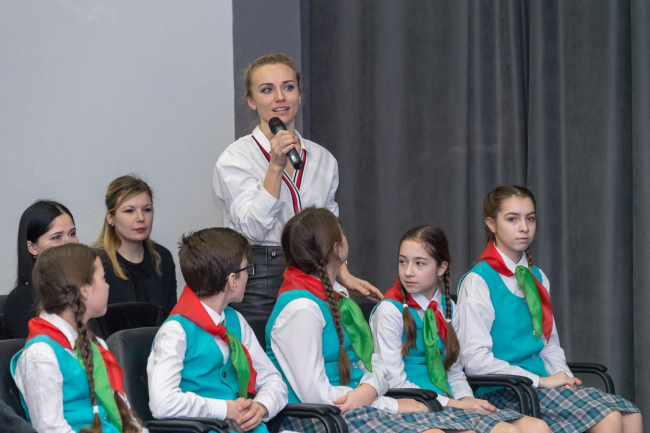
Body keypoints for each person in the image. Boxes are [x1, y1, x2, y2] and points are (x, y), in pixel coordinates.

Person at [267, 207, 509, 433]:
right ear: (336, 248)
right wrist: (383, 400)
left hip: (359, 408)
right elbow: (317, 396)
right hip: (323, 419)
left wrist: (371, 389)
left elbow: (373, 363)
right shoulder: (301, 308)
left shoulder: (333, 300)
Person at [457, 185, 642, 433]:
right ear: (491, 224)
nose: (524, 227)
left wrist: (564, 377)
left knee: (631, 416)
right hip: (504, 389)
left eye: (530, 218)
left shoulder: (538, 277)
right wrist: (542, 381)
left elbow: (549, 345)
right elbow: (475, 361)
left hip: (541, 387)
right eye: (512, 219)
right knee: (609, 417)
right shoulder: (478, 281)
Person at [213, 53, 382, 322]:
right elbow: (253, 229)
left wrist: (343, 274)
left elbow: (329, 229)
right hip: (260, 279)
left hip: (317, 273)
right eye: (267, 90)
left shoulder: (324, 159)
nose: (280, 97)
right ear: (251, 101)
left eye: (288, 87)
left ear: (299, 96)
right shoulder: (235, 158)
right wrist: (275, 166)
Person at [370, 225, 549, 433]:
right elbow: (393, 381)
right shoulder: (389, 311)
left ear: (441, 268)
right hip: (412, 406)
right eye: (403, 262)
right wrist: (454, 404)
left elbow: (454, 372)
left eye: (419, 263)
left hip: (449, 403)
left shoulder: (449, 309)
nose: (408, 272)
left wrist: (467, 400)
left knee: (536, 427)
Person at [147, 228, 290, 433]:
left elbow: (273, 381)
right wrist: (224, 409)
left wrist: (261, 406)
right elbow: (162, 403)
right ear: (232, 280)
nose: (248, 275)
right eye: (247, 268)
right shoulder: (175, 330)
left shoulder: (235, 320)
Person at [10, 243, 145, 432]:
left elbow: (126, 415)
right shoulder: (41, 354)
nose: (107, 286)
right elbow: (50, 429)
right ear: (84, 290)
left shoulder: (96, 344)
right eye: (103, 278)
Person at [93, 175, 177, 314]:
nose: (141, 218)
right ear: (110, 218)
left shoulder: (163, 257)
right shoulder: (94, 262)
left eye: (146, 209)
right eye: (129, 210)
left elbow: (172, 318)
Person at [3, 200, 78, 339]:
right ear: (32, 247)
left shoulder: (81, 287)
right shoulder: (22, 299)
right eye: (57, 237)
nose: (69, 243)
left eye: (72, 233)